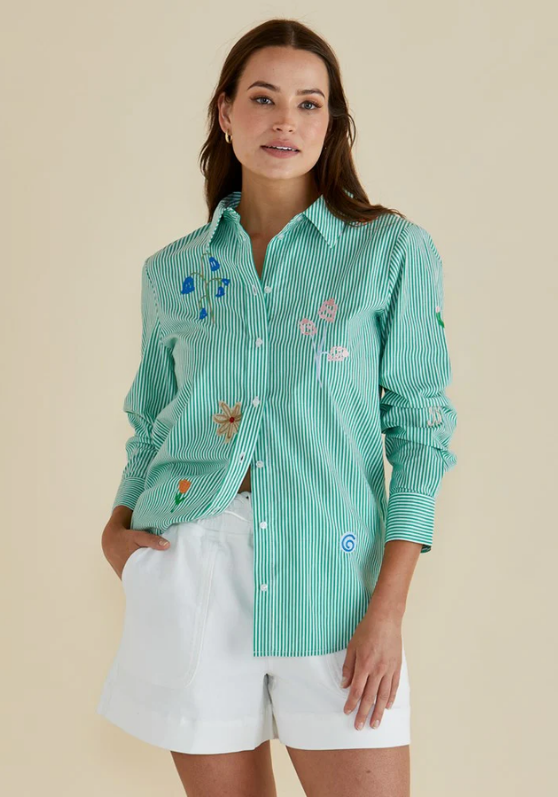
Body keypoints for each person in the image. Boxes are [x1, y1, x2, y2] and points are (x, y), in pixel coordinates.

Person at [97, 17, 457, 797]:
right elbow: (151, 421)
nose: (285, 120)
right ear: (226, 113)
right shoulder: (172, 273)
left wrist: (387, 609)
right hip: (191, 568)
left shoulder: (390, 252)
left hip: (335, 578)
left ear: (331, 123)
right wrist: (117, 533)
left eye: (308, 103)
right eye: (263, 98)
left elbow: (422, 432)